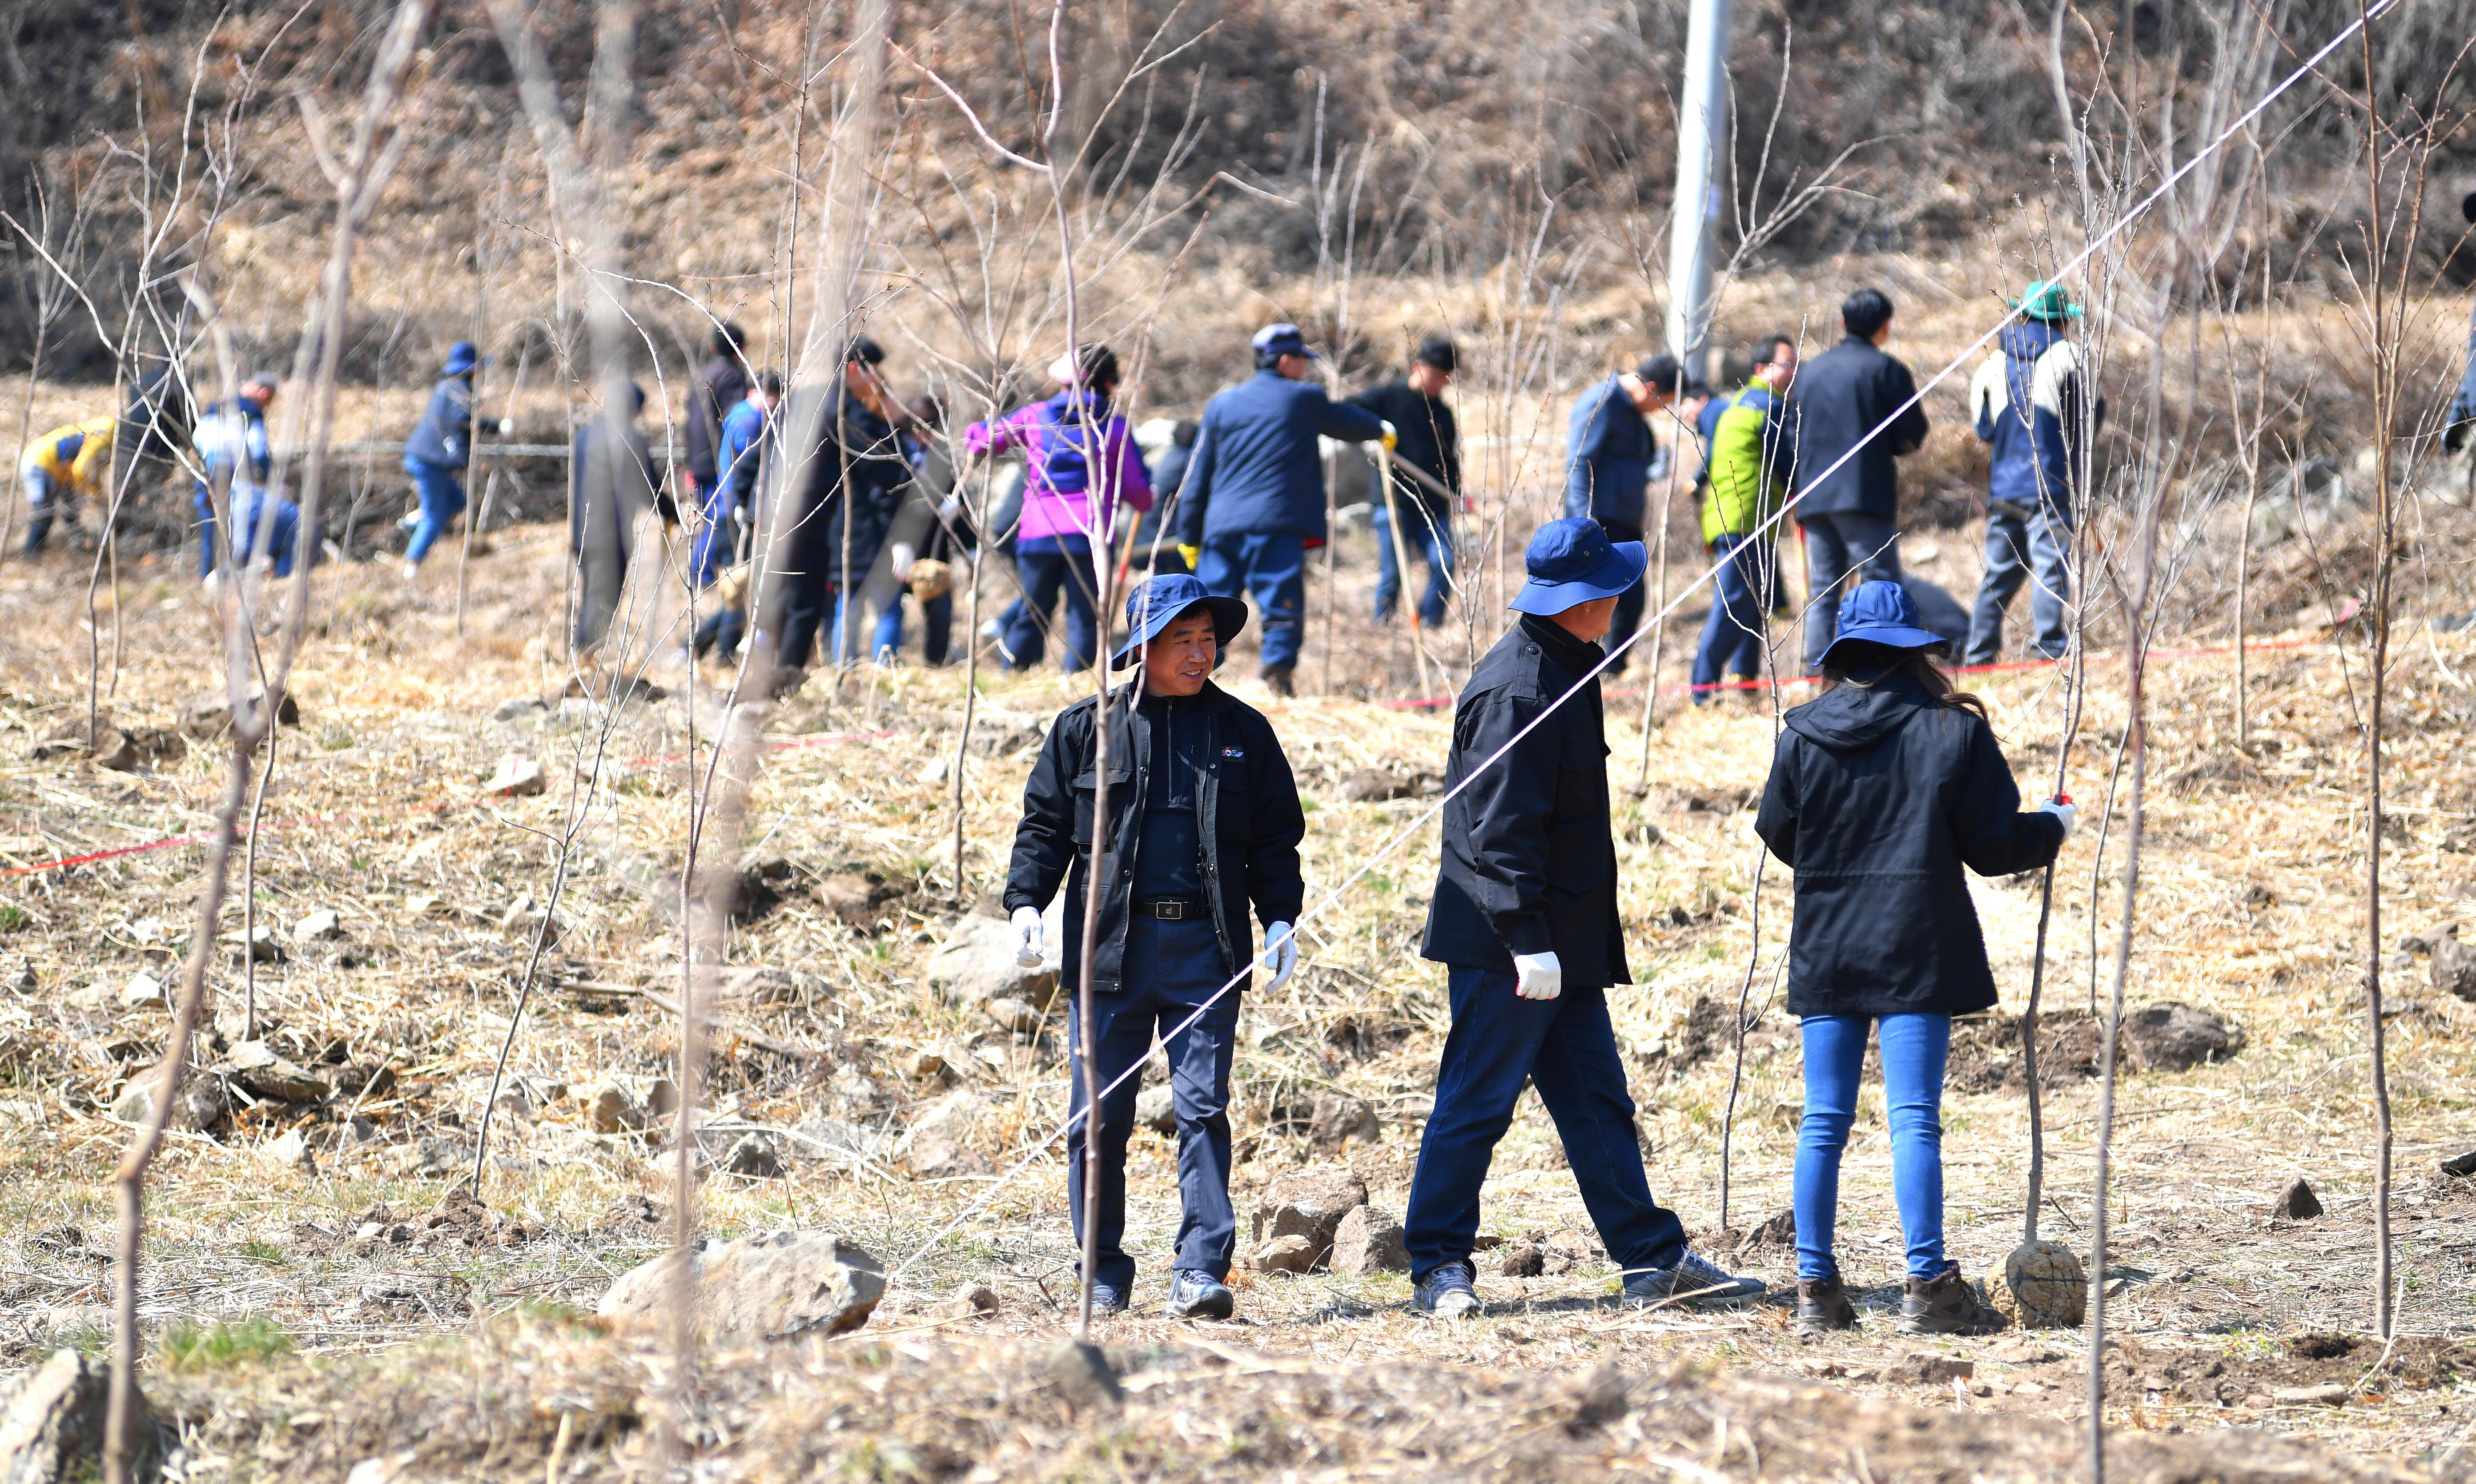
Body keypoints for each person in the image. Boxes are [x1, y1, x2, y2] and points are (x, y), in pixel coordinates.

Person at [1406, 518, 1764, 1320]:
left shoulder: (1566, 665)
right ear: (1589, 598)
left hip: (1556, 943)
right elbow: (1494, 831)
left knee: (1597, 1102)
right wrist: (1524, 939)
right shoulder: (1518, 689)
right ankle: (1435, 1263)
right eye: (1613, 583)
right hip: (1514, 943)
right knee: (1476, 1100)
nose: (1623, 593)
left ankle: (1651, 1257)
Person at [1753, 579, 2071, 1336]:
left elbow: (1775, 832)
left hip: (1827, 942)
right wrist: (2051, 826)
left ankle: (1813, 1290)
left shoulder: (1801, 733)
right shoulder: (1952, 732)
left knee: (1822, 1120)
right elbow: (1993, 847)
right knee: (1913, 1121)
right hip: (1914, 944)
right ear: (1915, 651)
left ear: (1845, 653)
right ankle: (1927, 1288)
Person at [1004, 572, 1306, 1319]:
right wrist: (1025, 904)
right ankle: (1100, 1269)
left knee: (1203, 1106)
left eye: (1209, 639)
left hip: (1207, 946)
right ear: (1142, 647)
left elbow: (1275, 838)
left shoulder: (1244, 733)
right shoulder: (1088, 728)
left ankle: (1201, 1267)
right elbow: (1043, 826)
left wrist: (1278, 918)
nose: (1200, 653)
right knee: (1097, 1114)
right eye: (1183, 640)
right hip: (1108, 949)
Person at [1174, 323, 1388, 696]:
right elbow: (1345, 421)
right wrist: (1381, 429)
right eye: (1302, 360)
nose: (1305, 368)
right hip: (1274, 524)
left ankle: (1197, 681)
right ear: (1287, 360)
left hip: (1221, 527)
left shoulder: (1221, 405)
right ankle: (1276, 679)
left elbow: (1198, 475)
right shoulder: (1302, 399)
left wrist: (1189, 535)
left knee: (1205, 616)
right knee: (1280, 606)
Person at [966, 344, 1153, 672]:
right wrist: (1143, 498)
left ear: (1065, 382)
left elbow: (983, 441)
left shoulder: (1034, 415)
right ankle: (1078, 686)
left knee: (1033, 610)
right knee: (1084, 616)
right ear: (1109, 384)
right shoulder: (1114, 426)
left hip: (1038, 530)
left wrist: (975, 430)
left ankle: (1015, 672)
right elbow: (1139, 492)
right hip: (1090, 535)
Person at [1789, 289, 1930, 672]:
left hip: (1814, 498)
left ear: (1843, 323)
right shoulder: (1886, 369)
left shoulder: (1809, 372)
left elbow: (1789, 434)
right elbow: (1912, 431)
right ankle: (1888, 668)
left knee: (1823, 591)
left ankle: (1816, 671)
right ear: (1885, 326)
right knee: (1881, 583)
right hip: (1865, 495)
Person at [767, 335, 914, 685]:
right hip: (813, 516)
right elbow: (881, 472)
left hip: (777, 510)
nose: (877, 380)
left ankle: (768, 674)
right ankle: (784, 681)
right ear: (854, 369)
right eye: (874, 372)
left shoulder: (800, 399)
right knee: (806, 605)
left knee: (781, 599)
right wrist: (900, 533)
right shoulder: (846, 410)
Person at [1964, 282, 2092, 667]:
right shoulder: (2070, 356)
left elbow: (1984, 429)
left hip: (2004, 486)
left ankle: (1980, 653)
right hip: (2050, 484)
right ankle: (2049, 648)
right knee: (2050, 567)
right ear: (2063, 320)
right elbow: (2086, 422)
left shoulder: (1992, 364)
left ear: (2024, 314)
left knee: (1999, 575)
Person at [1689, 336, 1799, 701]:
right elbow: (1789, 461)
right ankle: (1703, 689)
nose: (1792, 370)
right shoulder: (1766, 407)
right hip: (1744, 517)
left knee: (1754, 602)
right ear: (1761, 369)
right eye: (1786, 363)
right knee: (1735, 602)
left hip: (1739, 516)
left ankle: (1746, 680)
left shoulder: (1740, 402)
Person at [1563, 354, 1684, 672]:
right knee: (1600, 601)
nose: (1661, 409)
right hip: (1601, 522)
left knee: (1630, 599)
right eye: (1664, 401)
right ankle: (1588, 670)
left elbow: (1629, 465)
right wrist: (1583, 522)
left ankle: (1611, 669)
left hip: (1625, 522)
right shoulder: (1603, 402)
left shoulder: (1633, 417)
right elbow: (1579, 463)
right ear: (1652, 388)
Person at [1350, 335, 1463, 630]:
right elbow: (1348, 412)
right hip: (1394, 500)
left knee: (1445, 563)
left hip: (1433, 505)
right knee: (1394, 571)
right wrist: (1376, 430)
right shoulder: (1387, 398)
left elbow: (1451, 461)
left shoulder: (1444, 414)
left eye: (1446, 378)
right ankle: (1382, 627)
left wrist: (1457, 493)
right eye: (1436, 375)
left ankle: (1429, 624)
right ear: (1418, 366)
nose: (1440, 383)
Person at [860, 394, 975, 665]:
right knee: (891, 610)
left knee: (941, 610)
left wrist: (968, 546)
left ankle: (935, 663)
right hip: (893, 550)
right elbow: (882, 502)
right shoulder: (888, 451)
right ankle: (883, 664)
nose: (931, 435)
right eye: (927, 427)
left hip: (932, 552)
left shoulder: (942, 458)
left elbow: (958, 506)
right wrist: (896, 543)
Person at [690, 371, 780, 664]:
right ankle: (720, 652)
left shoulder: (739, 414)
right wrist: (745, 506)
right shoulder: (751, 422)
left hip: (728, 506)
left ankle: (702, 647)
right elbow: (748, 467)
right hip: (734, 512)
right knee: (739, 585)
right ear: (765, 394)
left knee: (740, 585)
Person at [570, 382, 663, 654]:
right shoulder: (629, 438)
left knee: (590, 595)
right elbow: (649, 488)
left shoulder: (584, 434)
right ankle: (587, 658)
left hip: (582, 530)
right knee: (604, 599)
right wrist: (674, 514)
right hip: (611, 536)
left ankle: (581, 653)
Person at [401, 340, 503, 580]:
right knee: (435, 517)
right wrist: (497, 426)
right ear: (472, 370)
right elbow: (464, 421)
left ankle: (414, 520)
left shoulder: (448, 388)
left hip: (425, 459)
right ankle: (411, 567)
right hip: (429, 463)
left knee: (457, 502)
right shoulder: (458, 392)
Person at [194, 374, 301, 581]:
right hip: (233, 475)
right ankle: (239, 578)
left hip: (205, 472)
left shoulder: (215, 407)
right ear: (264, 394)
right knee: (241, 526)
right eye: (269, 402)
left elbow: (198, 438)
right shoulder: (252, 413)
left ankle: (207, 577)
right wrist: (273, 480)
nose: (267, 406)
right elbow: (259, 451)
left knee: (211, 525)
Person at [19, 412, 116, 555]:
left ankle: (80, 544)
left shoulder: (105, 428)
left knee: (70, 510)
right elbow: (81, 469)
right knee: (43, 511)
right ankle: (32, 553)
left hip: (59, 469)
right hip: (40, 463)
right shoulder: (107, 434)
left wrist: (96, 491)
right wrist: (89, 493)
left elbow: (93, 469)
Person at [685, 322, 751, 507]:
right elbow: (736, 421)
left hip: (697, 460)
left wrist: (690, 461)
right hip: (719, 464)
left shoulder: (700, 375)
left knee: (707, 523)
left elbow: (688, 421)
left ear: (713, 348)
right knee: (721, 524)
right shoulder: (732, 377)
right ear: (741, 349)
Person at [1130, 418, 1198, 573]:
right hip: (1163, 542)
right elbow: (1194, 502)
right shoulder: (1188, 463)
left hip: (1145, 538)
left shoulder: (1170, 457)